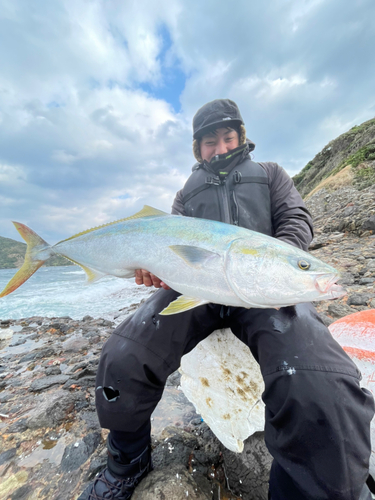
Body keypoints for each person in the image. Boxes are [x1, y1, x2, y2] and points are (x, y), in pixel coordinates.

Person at [78, 99, 374, 500]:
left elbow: (296, 220)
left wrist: (277, 271)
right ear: (197, 148)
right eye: (208, 141)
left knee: (317, 376)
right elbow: (168, 252)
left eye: (228, 137)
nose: (219, 147)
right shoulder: (185, 195)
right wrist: (154, 271)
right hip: (194, 291)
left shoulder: (270, 175)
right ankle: (126, 463)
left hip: (262, 295)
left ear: (242, 137)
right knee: (124, 354)